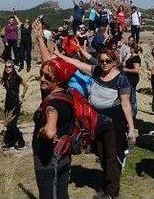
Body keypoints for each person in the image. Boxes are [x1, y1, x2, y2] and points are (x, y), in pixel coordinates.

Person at [57, 49, 137, 199]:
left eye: (108, 61)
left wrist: (131, 128)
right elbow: (78, 63)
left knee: (111, 156)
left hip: (113, 122)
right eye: (102, 60)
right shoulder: (96, 71)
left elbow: (126, 105)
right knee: (100, 153)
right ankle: (109, 184)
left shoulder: (121, 79)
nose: (104, 64)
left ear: (114, 62)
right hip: (95, 122)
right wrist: (59, 54)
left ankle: (112, 193)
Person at [33, 58, 77, 199]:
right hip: (64, 154)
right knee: (62, 192)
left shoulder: (52, 105)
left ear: (58, 80)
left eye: (47, 77)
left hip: (48, 158)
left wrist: (40, 132)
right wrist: (40, 39)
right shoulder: (67, 95)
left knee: (48, 195)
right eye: (42, 74)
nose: (42, 79)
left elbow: (50, 132)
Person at [2, 61, 28, 150]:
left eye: (9, 67)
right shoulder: (5, 78)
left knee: (12, 124)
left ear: (12, 67)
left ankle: (21, 142)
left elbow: (25, 86)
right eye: (6, 67)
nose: (7, 68)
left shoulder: (16, 77)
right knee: (7, 124)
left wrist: (22, 96)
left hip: (15, 102)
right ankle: (10, 142)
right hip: (7, 102)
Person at [122, 45, 141, 118]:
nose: (130, 49)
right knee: (129, 97)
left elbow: (137, 70)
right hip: (128, 78)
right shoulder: (132, 56)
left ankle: (133, 115)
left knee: (132, 97)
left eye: (131, 48)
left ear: (133, 49)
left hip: (132, 79)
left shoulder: (136, 58)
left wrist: (126, 70)